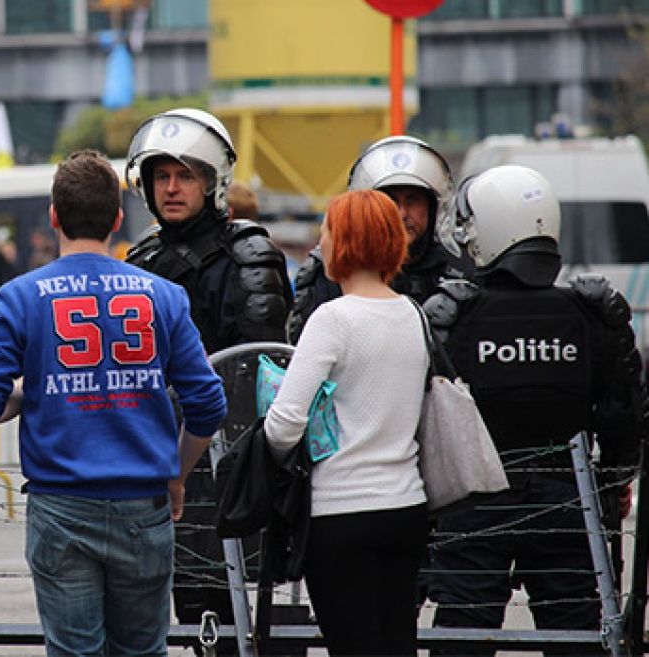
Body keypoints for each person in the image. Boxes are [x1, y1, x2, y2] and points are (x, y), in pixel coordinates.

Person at [0, 150, 227, 657]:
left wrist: (25, 394)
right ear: (119, 218)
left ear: (54, 216)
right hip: (143, 504)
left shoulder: (19, 297)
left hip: (60, 506)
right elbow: (208, 404)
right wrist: (177, 474)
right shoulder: (164, 297)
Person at [423, 165, 646, 652]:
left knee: (462, 635)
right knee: (576, 636)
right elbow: (623, 416)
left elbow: (426, 419)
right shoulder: (593, 313)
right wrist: (612, 487)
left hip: (474, 506)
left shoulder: (452, 316)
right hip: (568, 503)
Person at [123, 107, 291, 627]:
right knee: (179, 612)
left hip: (227, 465)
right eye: (162, 176)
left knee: (236, 616)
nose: (172, 188)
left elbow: (259, 371)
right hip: (155, 460)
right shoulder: (142, 258)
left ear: (212, 181)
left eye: (186, 175)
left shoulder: (249, 256)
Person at [264, 189, 430, 655]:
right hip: (406, 506)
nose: (322, 243)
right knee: (398, 642)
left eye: (328, 233)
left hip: (342, 513)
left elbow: (284, 424)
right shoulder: (413, 314)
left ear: (346, 242)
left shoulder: (332, 319)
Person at [288, 134, 469, 343]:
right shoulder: (331, 266)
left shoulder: (460, 267)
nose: (401, 213)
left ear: (433, 207)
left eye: (413, 200)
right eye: (389, 201)